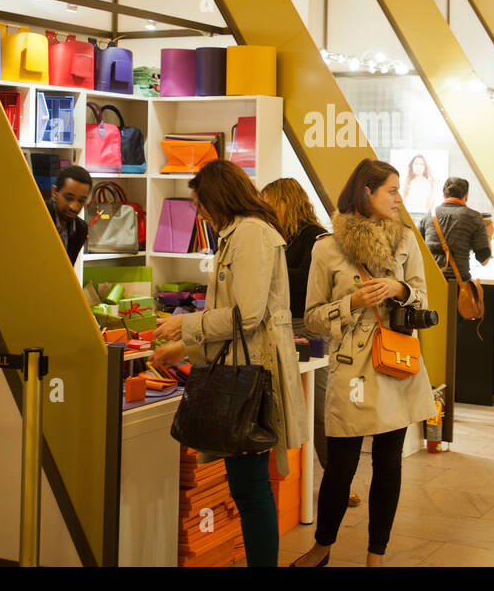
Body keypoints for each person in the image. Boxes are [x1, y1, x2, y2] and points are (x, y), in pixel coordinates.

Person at [151, 161, 307, 565]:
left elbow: (247, 315)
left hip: (251, 377)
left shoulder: (251, 234)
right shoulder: (239, 233)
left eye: (201, 204)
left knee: (251, 489)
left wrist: (186, 324)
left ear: (219, 197)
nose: (200, 213)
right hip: (243, 370)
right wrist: (182, 347)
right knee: (248, 485)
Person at [293, 159, 437, 567]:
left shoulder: (406, 241)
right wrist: (352, 302)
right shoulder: (327, 246)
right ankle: (322, 547)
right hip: (351, 369)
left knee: (389, 464)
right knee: (340, 466)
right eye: (391, 190)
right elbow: (314, 317)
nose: (399, 197)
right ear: (366, 193)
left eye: (397, 190)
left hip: (394, 361)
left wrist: (400, 287)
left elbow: (424, 300)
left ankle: (376, 555)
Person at [260, 177, 360, 510]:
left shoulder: (314, 236)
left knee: (321, 409)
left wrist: (269, 267)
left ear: (286, 202)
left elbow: (304, 283)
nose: (265, 208)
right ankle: (296, 485)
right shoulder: (280, 237)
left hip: (311, 329)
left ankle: (338, 482)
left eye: (270, 201)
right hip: (282, 326)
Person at [418, 177, 493, 283]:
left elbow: (416, 250)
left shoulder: (429, 216)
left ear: (444, 195)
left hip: (430, 282)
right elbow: (484, 260)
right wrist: (488, 234)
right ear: (466, 196)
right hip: (458, 284)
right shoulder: (474, 217)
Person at [46, 165, 90, 263]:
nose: (74, 206)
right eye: (68, 198)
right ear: (54, 192)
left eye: (81, 201)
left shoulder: (81, 229)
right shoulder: (38, 217)